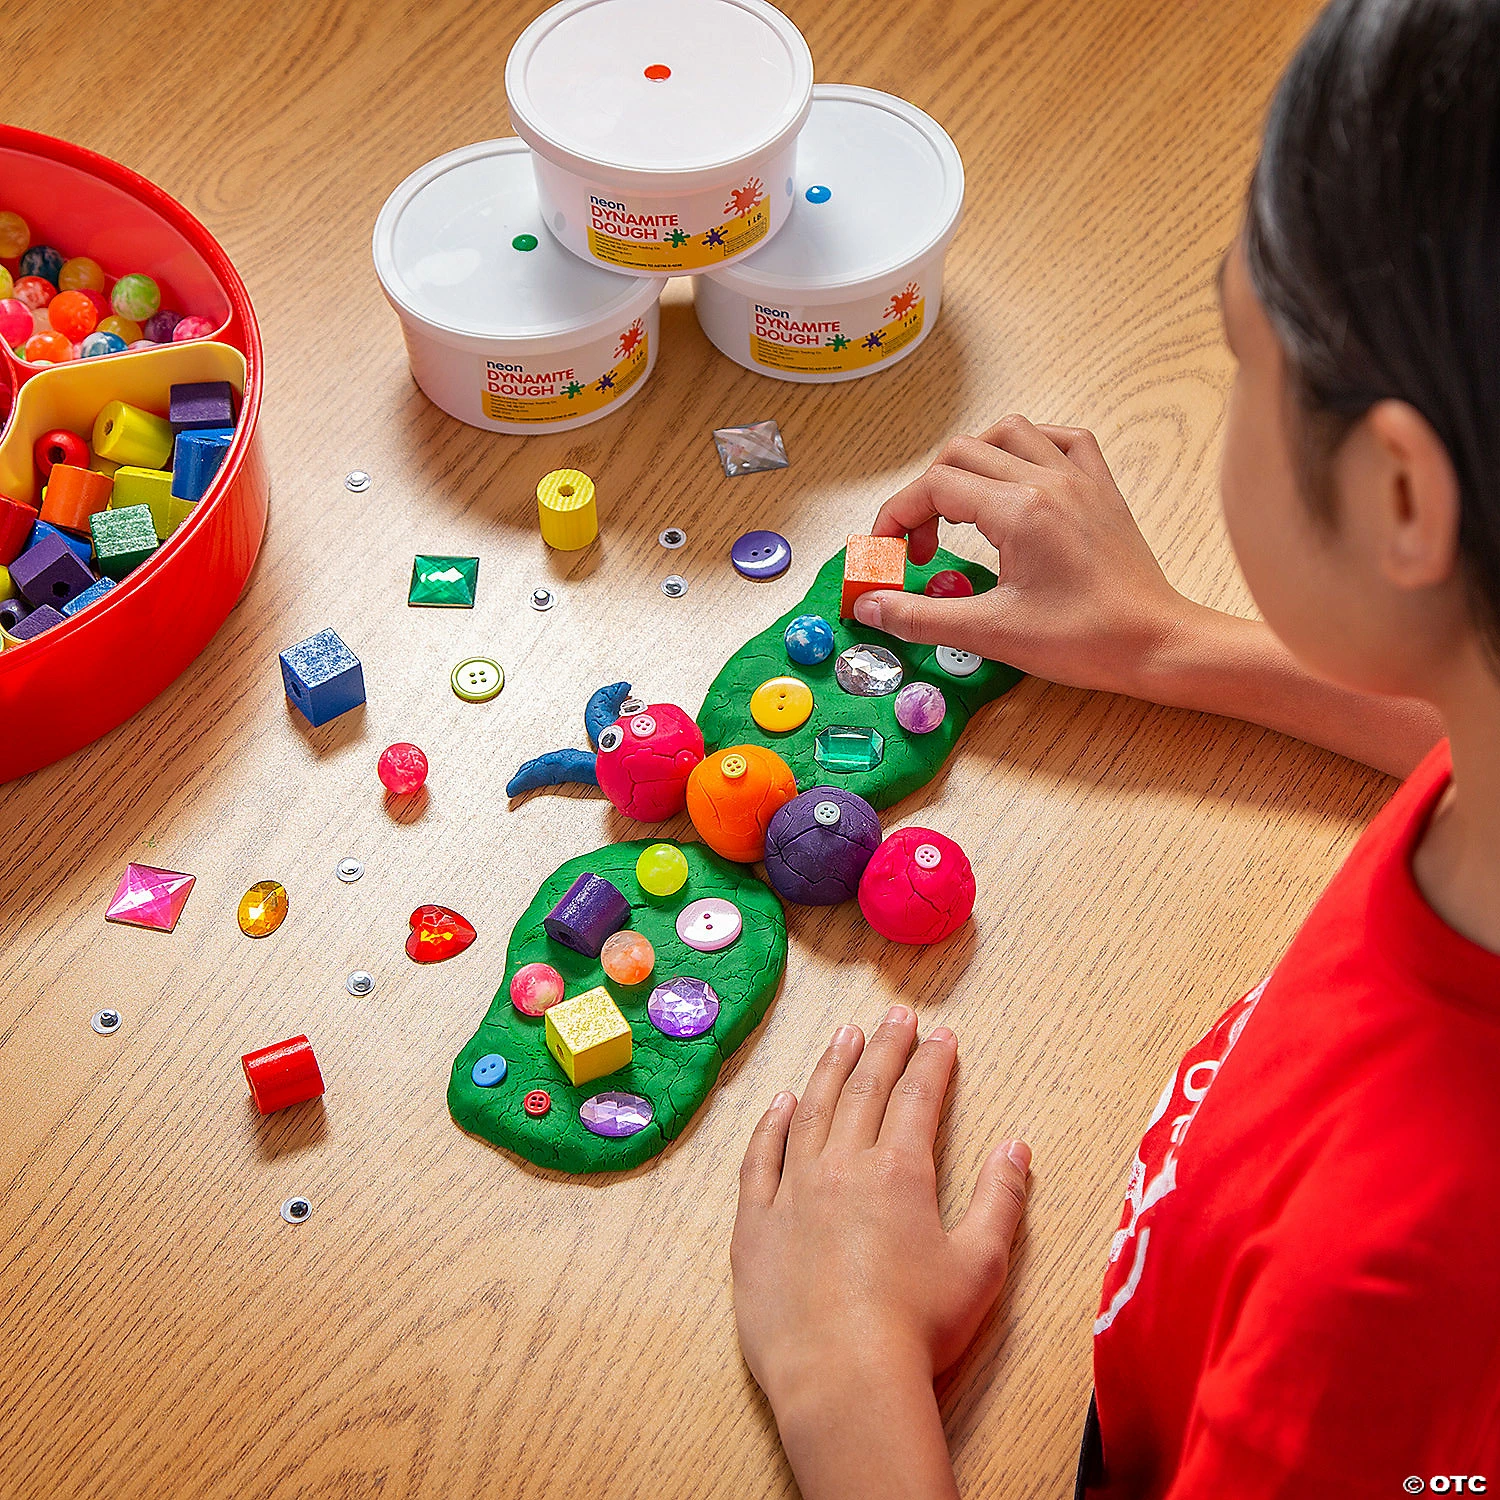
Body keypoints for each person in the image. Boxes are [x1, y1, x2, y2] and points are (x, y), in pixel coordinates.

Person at [729, 0, 1500, 1494]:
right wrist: (1170, 642)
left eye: (1240, 354)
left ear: (1406, 503)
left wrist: (846, 1380)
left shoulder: (1379, 1308)